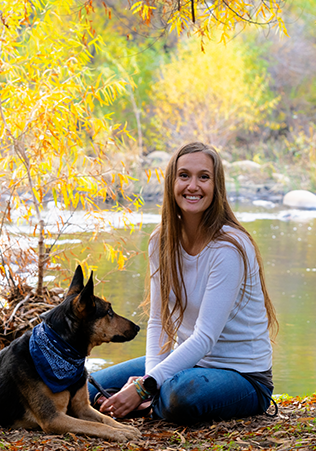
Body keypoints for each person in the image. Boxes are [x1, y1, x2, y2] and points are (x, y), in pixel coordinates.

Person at [89, 142, 278, 425]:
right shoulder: (161, 241)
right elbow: (157, 321)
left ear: (217, 186)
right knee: (87, 388)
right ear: (171, 182)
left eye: (204, 177)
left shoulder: (229, 247)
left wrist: (143, 387)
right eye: (184, 175)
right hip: (186, 363)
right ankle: (151, 401)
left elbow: (205, 337)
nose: (193, 185)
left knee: (181, 395)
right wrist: (149, 379)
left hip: (243, 377)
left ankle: (151, 402)